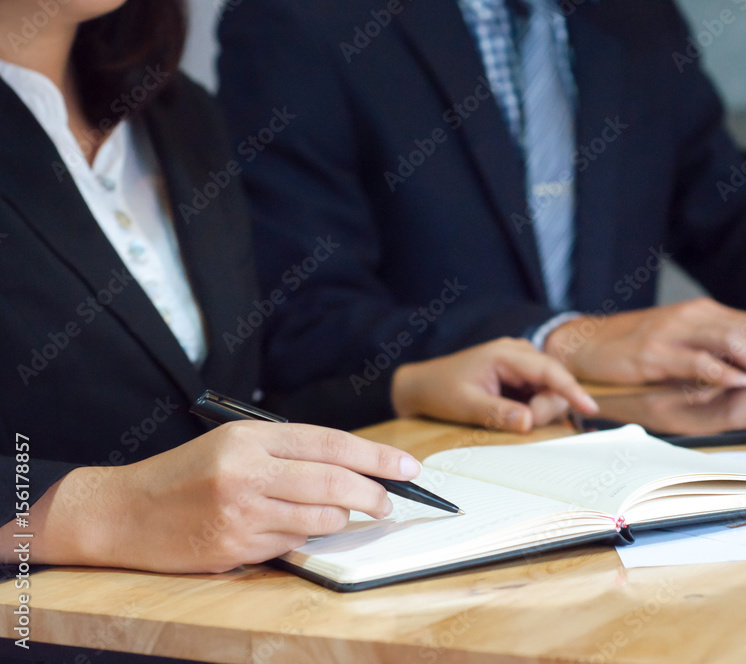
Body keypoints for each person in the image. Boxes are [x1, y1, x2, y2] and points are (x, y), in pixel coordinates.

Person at [0, 0, 596, 574]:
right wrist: (115, 511)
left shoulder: (180, 115)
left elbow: (201, 416)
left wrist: (402, 390)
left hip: (214, 607)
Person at [216, 0, 746, 424]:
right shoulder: (297, 23)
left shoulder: (635, 20)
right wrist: (562, 338)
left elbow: (728, 210)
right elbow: (305, 319)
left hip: (626, 475)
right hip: (422, 479)